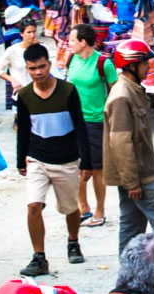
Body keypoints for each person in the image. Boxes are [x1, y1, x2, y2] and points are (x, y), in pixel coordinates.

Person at [16, 43, 91, 276]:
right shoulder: (25, 96)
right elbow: (24, 129)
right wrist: (20, 160)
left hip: (67, 160)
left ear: (49, 64)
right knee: (33, 205)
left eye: (41, 66)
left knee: (70, 208)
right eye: (32, 68)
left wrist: (86, 161)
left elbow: (80, 125)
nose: (38, 72)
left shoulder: (68, 91)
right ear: (27, 69)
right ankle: (39, 257)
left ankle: (73, 241)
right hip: (37, 159)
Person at [104, 39, 154, 256]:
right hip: (138, 175)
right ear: (131, 66)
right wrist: (131, 182)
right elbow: (120, 142)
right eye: (145, 63)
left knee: (132, 225)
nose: (149, 67)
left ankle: (128, 279)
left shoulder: (132, 89)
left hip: (135, 173)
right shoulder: (122, 96)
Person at [67, 23, 118, 228]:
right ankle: (83, 206)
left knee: (97, 169)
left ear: (83, 42)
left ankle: (100, 209)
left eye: (72, 40)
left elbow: (116, 91)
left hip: (97, 123)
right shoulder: (71, 59)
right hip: (73, 122)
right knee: (78, 167)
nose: (68, 44)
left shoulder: (104, 63)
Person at [0, 16, 37, 128]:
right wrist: (12, 80)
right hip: (21, 95)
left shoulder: (41, 48)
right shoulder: (13, 51)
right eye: (28, 32)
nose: (32, 35)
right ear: (21, 34)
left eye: (34, 32)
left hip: (39, 94)